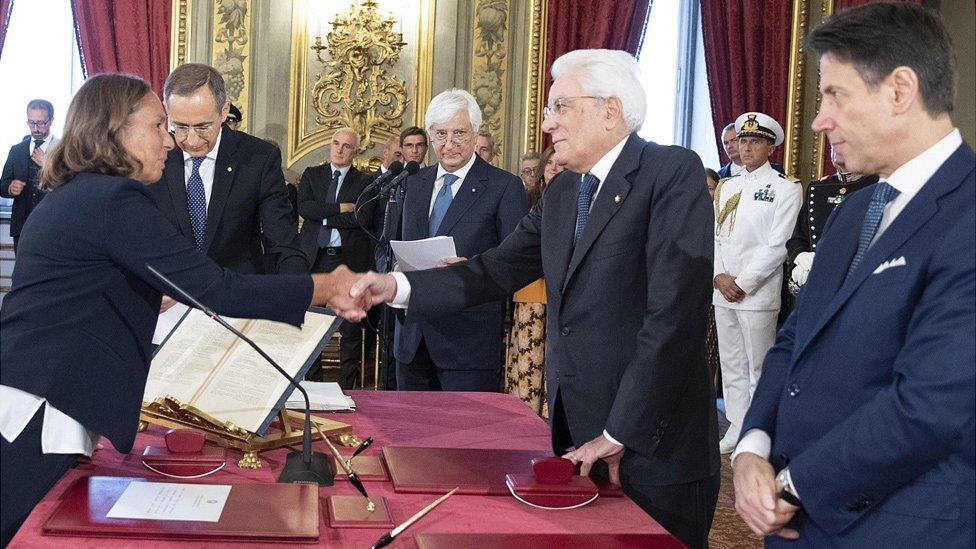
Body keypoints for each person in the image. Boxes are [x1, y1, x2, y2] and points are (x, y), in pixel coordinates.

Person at [350, 49, 720, 548]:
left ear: (609, 110)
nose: (548, 124)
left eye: (560, 107)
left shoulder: (669, 172)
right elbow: (495, 269)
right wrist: (396, 287)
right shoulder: (566, 190)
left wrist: (618, 433)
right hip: (578, 436)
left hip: (652, 442)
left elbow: (673, 316)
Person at [0, 74, 365, 546]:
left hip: (38, 386)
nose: (170, 142)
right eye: (158, 126)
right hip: (43, 401)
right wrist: (325, 287)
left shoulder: (80, 192)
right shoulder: (115, 198)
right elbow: (218, 288)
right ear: (116, 131)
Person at [732, 4, 974, 546]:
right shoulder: (854, 210)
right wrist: (753, 445)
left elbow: (931, 406)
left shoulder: (969, 214)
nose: (820, 119)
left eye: (834, 94)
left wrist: (795, 485)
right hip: (796, 519)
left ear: (899, 91)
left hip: (899, 526)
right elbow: (797, 338)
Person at [392, 88, 526, 392]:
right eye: (440, 134)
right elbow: (392, 245)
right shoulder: (414, 183)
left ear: (476, 133)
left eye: (459, 133)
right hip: (412, 339)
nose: (449, 144)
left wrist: (472, 270)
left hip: (468, 342)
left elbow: (516, 263)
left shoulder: (504, 187)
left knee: (463, 438)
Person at [149, 63, 306, 276]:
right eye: (181, 127)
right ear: (166, 110)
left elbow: (282, 243)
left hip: (236, 294)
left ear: (224, 111)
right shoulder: (152, 156)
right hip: (169, 295)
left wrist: (295, 291)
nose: (192, 140)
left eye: (203, 127)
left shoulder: (259, 158)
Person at [713, 112, 801, 455]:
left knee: (759, 365)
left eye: (755, 142)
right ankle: (736, 423)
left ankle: (758, 429)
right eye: (743, 141)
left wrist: (743, 282)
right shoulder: (727, 186)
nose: (746, 148)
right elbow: (716, 236)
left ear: (770, 148)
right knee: (731, 362)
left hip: (757, 291)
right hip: (723, 289)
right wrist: (719, 276)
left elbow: (777, 245)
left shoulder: (785, 188)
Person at [297, 127, 375, 387]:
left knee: (350, 328)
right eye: (336, 143)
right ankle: (313, 384)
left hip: (346, 260)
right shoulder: (312, 175)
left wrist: (323, 215)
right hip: (315, 259)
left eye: (346, 146)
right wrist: (340, 209)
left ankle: (347, 387)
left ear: (355, 151)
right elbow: (305, 208)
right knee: (311, 324)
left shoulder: (363, 181)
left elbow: (360, 217)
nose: (340, 149)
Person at [505, 145, 562, 417]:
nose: (553, 168)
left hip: (559, 294)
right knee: (528, 363)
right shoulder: (527, 199)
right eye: (548, 163)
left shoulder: (577, 199)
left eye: (558, 163)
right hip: (529, 292)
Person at [786, 146, 878, 293]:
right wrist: (801, 256)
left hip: (856, 284)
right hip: (816, 282)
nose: (836, 149)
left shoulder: (877, 186)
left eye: (843, 143)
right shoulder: (819, 187)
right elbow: (798, 239)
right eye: (833, 145)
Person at [0, 99, 59, 253]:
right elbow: (2, 186)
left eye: (41, 123)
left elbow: (73, 188)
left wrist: (47, 165)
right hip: (21, 227)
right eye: (31, 122)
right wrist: (10, 188)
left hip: (54, 227)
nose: (36, 128)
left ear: (51, 120)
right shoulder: (16, 150)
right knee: (21, 274)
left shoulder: (64, 149)